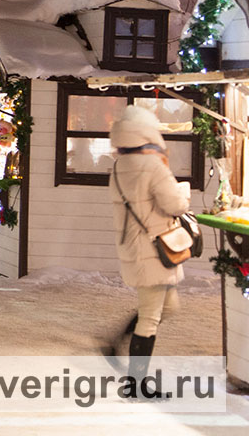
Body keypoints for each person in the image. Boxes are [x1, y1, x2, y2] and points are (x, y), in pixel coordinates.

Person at [105, 105, 191, 374]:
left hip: (134, 245)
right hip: (153, 248)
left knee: (168, 306)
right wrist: (183, 191)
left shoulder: (119, 165)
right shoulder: (153, 165)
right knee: (151, 317)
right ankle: (137, 383)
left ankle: (116, 341)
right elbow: (175, 205)